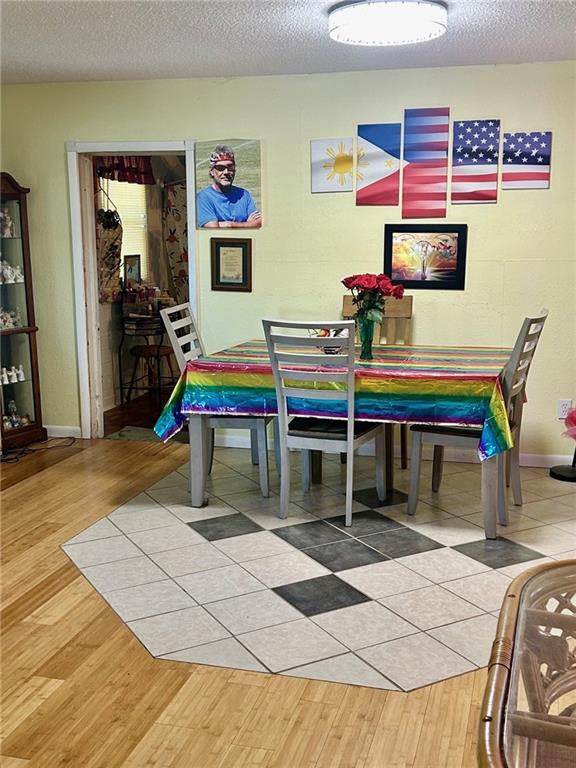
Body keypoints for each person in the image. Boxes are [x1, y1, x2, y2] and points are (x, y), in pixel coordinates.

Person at [196, 145, 262, 228]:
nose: (226, 172)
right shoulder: (203, 197)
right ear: (212, 171)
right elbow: (212, 228)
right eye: (220, 168)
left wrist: (227, 224)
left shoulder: (244, 194)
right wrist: (247, 225)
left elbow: (258, 222)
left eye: (230, 167)